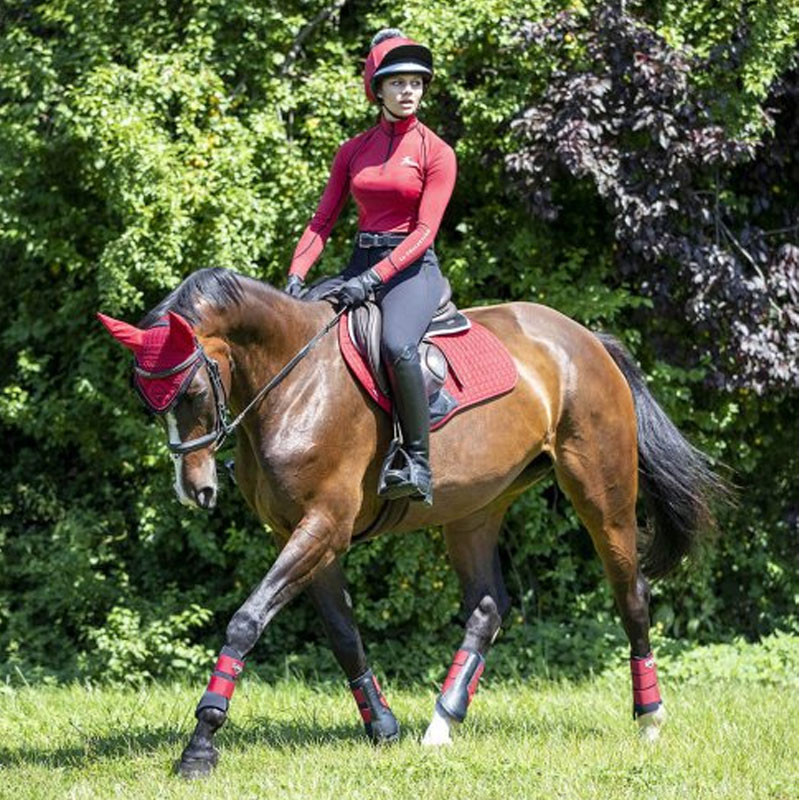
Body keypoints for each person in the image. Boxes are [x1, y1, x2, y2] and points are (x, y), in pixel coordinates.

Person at [283, 28, 457, 506]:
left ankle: (417, 462)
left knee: (397, 345)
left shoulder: (436, 152)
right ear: (377, 89)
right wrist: (297, 276)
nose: (408, 92)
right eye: (398, 83)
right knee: (295, 330)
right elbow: (321, 222)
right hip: (360, 261)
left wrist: (373, 279)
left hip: (411, 269)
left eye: (416, 83)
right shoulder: (352, 151)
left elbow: (424, 232)